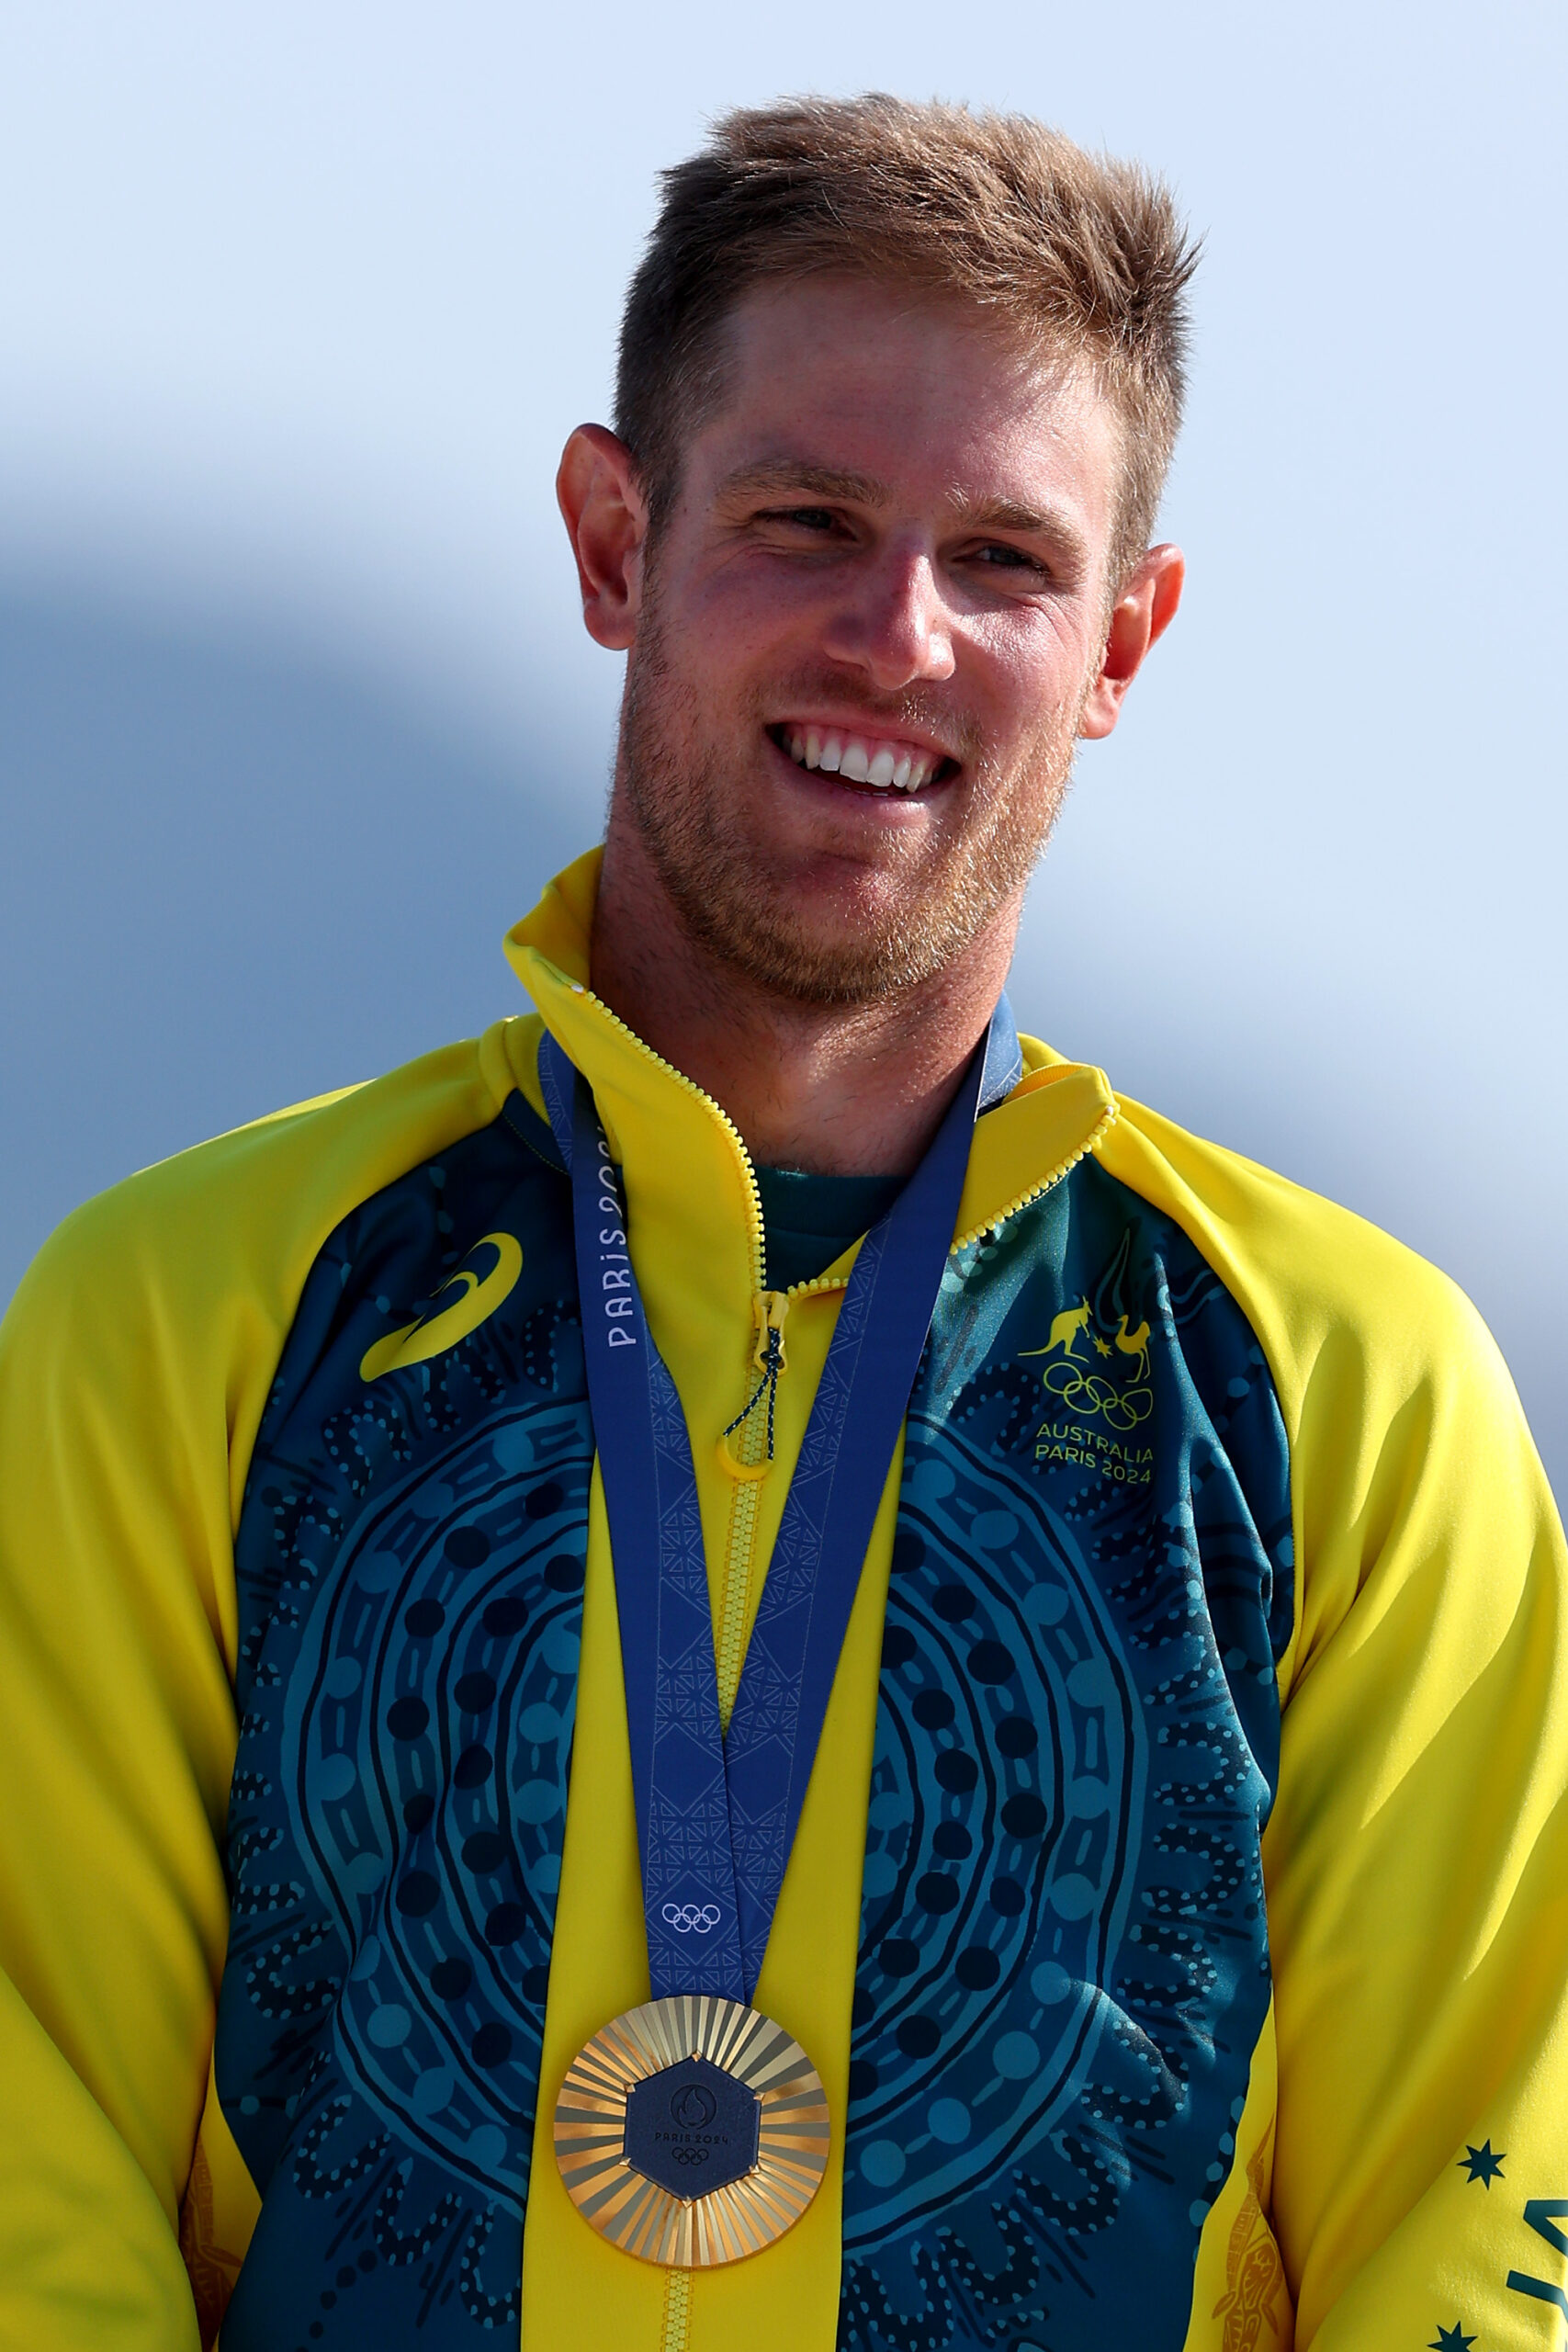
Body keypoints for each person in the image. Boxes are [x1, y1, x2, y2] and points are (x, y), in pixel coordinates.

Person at [0, 91, 1562, 2352]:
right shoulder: (183, 1315)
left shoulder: (1349, 1387)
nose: (894, 636)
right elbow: (38, 2169)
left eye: (1004, 564)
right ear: (612, 537)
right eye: (805, 518)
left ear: (1122, 642)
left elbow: (1476, 2229)